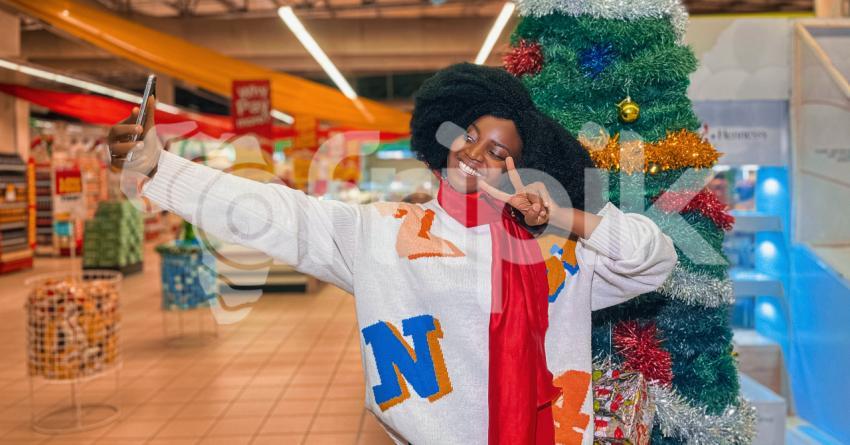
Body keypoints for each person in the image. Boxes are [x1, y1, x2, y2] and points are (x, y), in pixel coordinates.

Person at [108, 63, 676, 445]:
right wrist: (161, 169)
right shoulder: (383, 233)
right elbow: (276, 214)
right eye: (470, 133)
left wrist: (560, 216)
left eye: (499, 148)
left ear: (521, 165)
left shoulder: (560, 254)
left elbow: (654, 259)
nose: (477, 152)